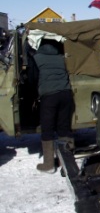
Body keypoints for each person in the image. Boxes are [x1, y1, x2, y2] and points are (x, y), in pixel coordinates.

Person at [31, 39, 74, 173]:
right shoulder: (61, 57)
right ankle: (66, 163)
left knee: (47, 128)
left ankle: (49, 165)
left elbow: (33, 77)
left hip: (49, 96)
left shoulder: (36, 58)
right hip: (66, 94)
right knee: (64, 128)